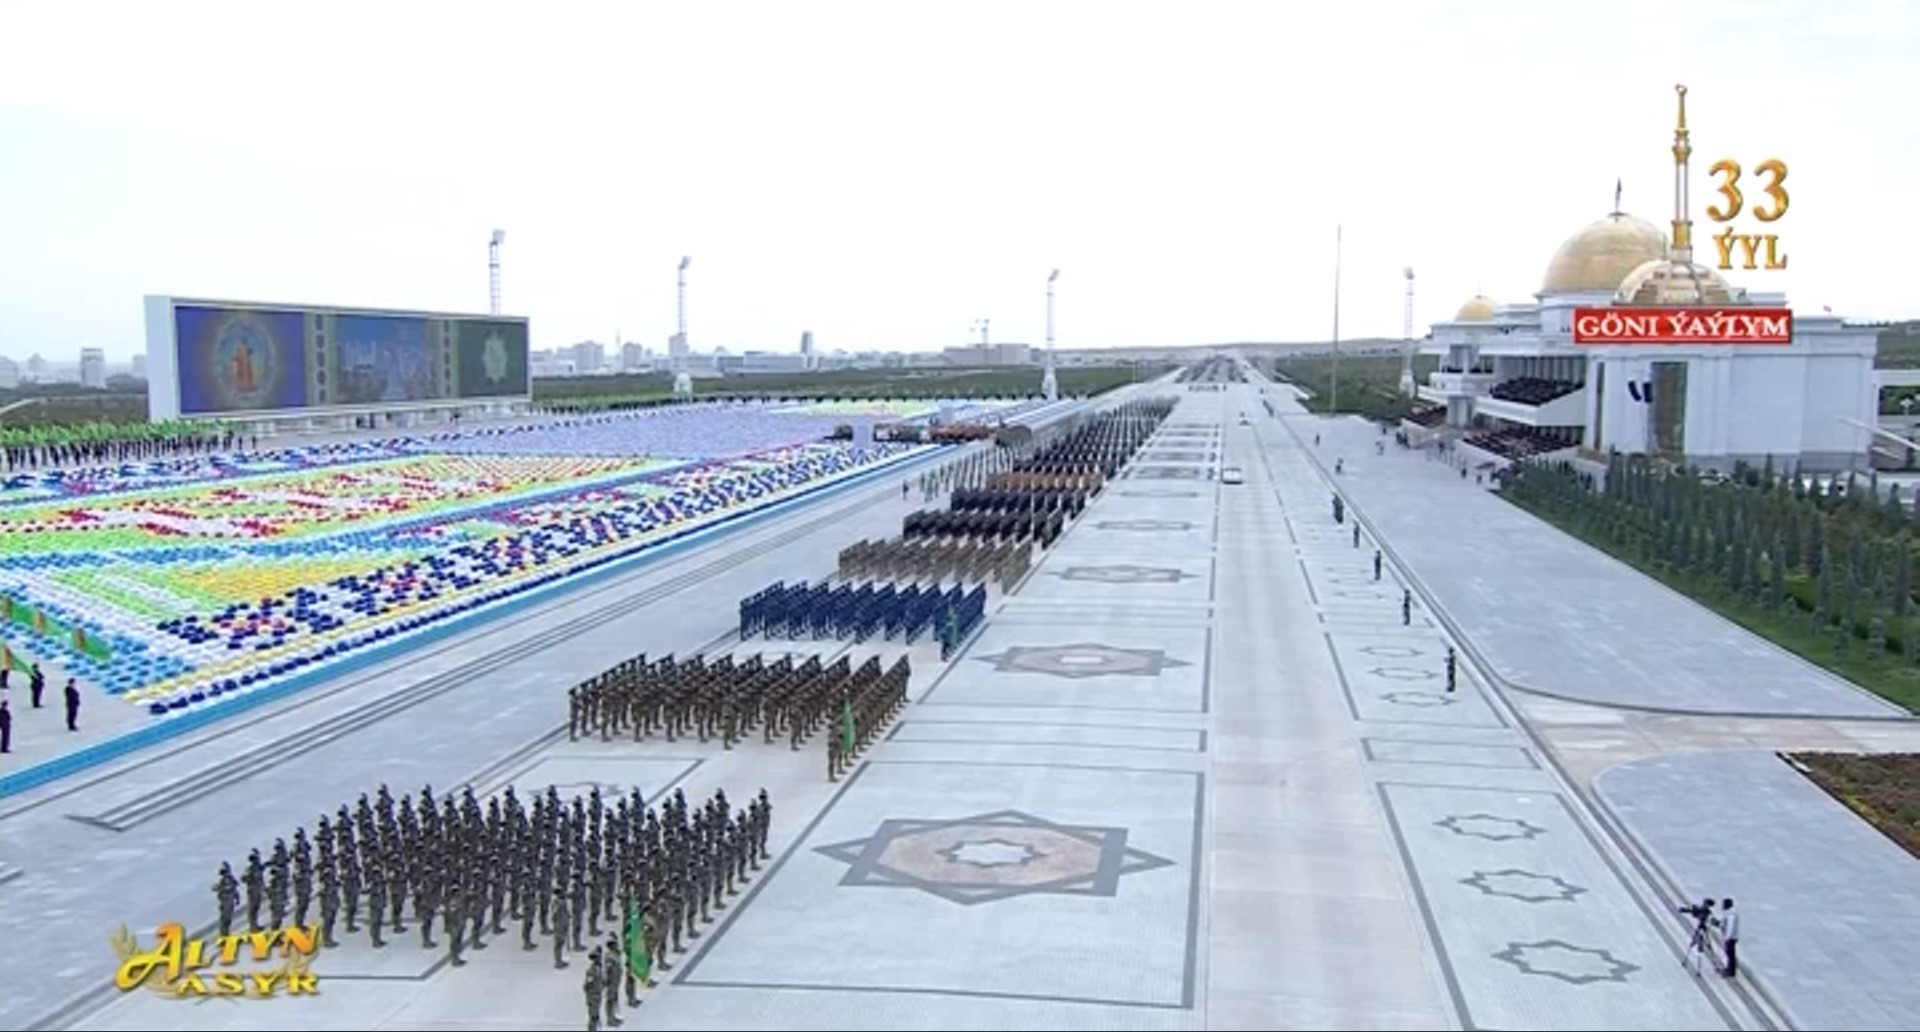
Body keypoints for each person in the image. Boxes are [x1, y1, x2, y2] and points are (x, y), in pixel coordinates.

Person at [1717, 898, 1739, 977]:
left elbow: (1730, 927)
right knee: (1729, 953)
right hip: (1730, 937)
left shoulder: (1731, 915)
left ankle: (1731, 971)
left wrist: (1727, 938)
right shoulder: (1730, 913)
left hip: (1731, 938)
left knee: (1730, 954)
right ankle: (1729, 968)